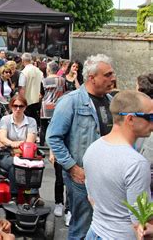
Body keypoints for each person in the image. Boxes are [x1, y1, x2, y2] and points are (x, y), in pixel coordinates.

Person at [46, 54, 116, 239]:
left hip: (106, 176)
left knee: (101, 227)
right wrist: (72, 168)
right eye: (107, 75)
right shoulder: (71, 101)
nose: (112, 78)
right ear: (91, 77)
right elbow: (53, 137)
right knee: (81, 228)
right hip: (82, 177)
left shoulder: (110, 101)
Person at [83, 90, 152, 239]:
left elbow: (92, 198)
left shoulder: (93, 148)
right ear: (130, 119)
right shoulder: (136, 164)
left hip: (94, 232)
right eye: (150, 117)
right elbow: (141, 222)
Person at [0, 95, 39, 201]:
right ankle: (14, 196)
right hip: (6, 154)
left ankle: (32, 194)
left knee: (35, 165)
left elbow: (30, 142)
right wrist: (15, 144)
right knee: (15, 164)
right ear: (10, 106)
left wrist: (12, 144)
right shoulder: (5, 119)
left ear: (25, 107)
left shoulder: (31, 121)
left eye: (21, 106)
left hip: (26, 154)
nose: (18, 109)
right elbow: (3, 138)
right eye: (15, 106)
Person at [40, 61, 66, 218]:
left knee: (45, 128)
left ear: (48, 70)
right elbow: (64, 92)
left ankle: (44, 146)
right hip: (58, 105)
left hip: (47, 105)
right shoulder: (62, 80)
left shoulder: (44, 80)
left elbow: (41, 94)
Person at [18, 53, 44, 125]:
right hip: (38, 101)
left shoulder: (24, 73)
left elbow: (22, 88)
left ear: (22, 61)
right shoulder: (39, 72)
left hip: (27, 101)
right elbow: (43, 85)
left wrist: (21, 101)